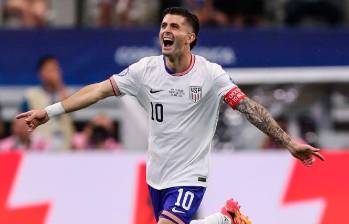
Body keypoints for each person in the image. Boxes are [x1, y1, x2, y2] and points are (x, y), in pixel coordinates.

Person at [16, 7, 324, 224]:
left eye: (174, 26)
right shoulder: (144, 70)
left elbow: (250, 108)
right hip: (157, 176)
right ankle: (225, 219)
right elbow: (98, 90)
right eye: (163, 26)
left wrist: (288, 142)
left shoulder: (210, 74)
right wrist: (50, 111)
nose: (166, 30)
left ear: (190, 37)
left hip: (191, 176)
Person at [20, 55, 74, 150]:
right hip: (40, 149)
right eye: (49, 70)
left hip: (65, 147)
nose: (53, 73)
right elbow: (21, 121)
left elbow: (72, 110)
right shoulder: (31, 95)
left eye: (55, 69)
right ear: (40, 73)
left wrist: (59, 85)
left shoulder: (67, 93)